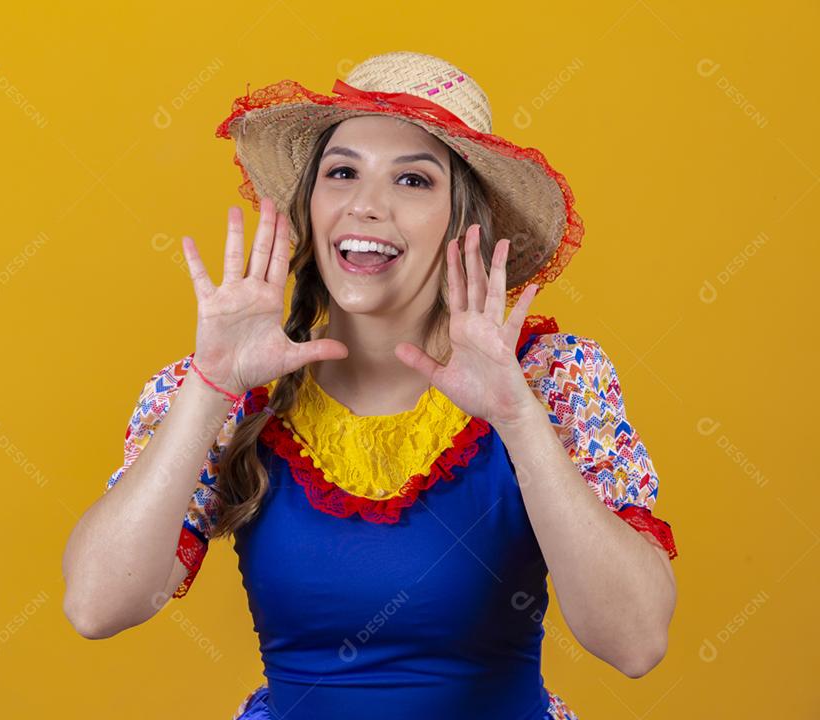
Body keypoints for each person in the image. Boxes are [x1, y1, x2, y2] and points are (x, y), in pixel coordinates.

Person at [62, 51, 679, 720]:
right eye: (342, 172)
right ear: (310, 206)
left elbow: (635, 642)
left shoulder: (549, 379)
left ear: (463, 222)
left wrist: (518, 419)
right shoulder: (234, 391)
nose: (366, 205)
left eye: (412, 179)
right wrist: (212, 385)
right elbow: (96, 606)